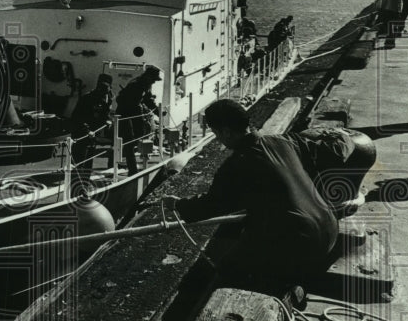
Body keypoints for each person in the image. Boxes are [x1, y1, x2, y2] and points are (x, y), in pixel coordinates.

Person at [163, 99, 338, 283]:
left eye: (216, 133)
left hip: (302, 241)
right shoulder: (282, 140)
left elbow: (211, 205)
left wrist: (177, 204)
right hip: (329, 228)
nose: (218, 139)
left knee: (229, 269)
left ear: (226, 132)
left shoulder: (237, 163)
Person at [69, 74, 114, 195]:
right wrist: (86, 130)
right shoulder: (87, 99)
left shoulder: (107, 97)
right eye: (102, 88)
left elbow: (106, 113)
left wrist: (108, 120)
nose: (104, 92)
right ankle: (75, 190)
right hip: (81, 134)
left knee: (88, 162)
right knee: (79, 162)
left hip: (93, 136)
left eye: (107, 89)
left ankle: (84, 186)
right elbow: (77, 118)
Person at [115, 65, 162, 171]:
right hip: (124, 114)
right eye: (154, 79)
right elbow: (124, 101)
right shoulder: (135, 85)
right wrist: (139, 113)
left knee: (138, 136)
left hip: (135, 113)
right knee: (129, 140)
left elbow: (148, 99)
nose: (154, 82)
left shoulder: (146, 84)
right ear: (148, 76)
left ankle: (125, 162)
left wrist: (157, 112)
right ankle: (131, 168)